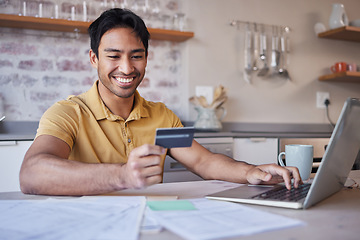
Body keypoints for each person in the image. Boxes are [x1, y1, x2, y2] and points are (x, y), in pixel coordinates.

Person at [19, 8, 301, 196]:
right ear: (94, 58)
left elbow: (204, 161)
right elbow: (32, 174)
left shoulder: (161, 116)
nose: (127, 68)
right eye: (114, 56)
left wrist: (252, 172)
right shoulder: (67, 113)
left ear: (146, 57)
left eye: (136, 56)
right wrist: (122, 176)